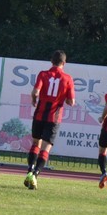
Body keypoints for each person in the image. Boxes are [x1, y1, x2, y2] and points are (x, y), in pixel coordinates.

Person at [24, 50, 75, 190]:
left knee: (36, 143)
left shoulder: (43, 74)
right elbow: (71, 101)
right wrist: (63, 98)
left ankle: (29, 170)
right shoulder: (68, 78)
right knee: (46, 147)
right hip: (54, 117)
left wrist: (34, 100)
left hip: (39, 115)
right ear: (64, 63)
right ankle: (35, 175)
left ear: (51, 61)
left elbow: (35, 92)